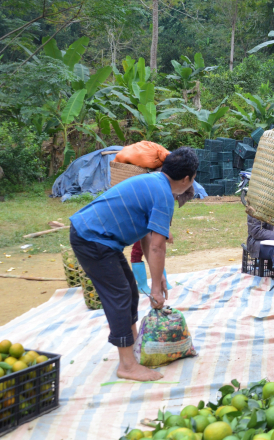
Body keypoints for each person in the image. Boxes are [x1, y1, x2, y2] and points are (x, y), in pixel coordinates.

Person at [68, 147, 198, 381]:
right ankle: (127, 365)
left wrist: (158, 279)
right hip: (92, 238)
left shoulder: (154, 182)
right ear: (187, 179)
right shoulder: (164, 195)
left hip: (100, 238)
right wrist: (156, 289)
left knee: (129, 290)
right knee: (120, 296)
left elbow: (147, 238)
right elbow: (159, 246)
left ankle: (134, 349)